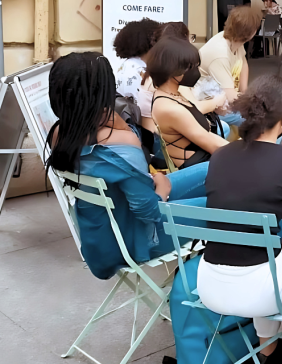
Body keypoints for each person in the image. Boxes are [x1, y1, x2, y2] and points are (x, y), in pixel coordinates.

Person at [44, 53, 207, 280]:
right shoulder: (119, 142)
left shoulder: (59, 133)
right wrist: (163, 189)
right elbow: (148, 211)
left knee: (215, 169)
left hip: (100, 239)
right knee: (230, 205)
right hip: (136, 240)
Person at [197, 76, 282, 364]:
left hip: (209, 285)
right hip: (264, 290)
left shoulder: (221, 156)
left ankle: (267, 354)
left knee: (268, 260)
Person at [151, 37, 229, 169]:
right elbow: (212, 145)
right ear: (173, 70)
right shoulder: (170, 108)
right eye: (192, 67)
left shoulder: (172, 94)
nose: (196, 71)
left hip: (202, 159)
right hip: (198, 167)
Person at [199, 5, 263, 116]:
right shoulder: (220, 55)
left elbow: (243, 62)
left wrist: (245, 92)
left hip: (223, 101)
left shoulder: (235, 40)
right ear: (251, 32)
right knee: (263, 117)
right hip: (210, 108)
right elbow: (230, 96)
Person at [112, 18, 162, 133]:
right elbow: (142, 108)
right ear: (150, 43)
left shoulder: (128, 65)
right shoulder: (139, 71)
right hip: (142, 130)